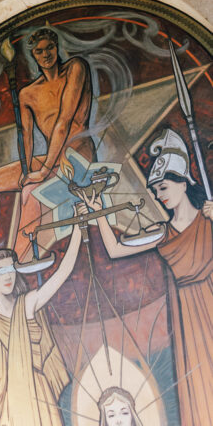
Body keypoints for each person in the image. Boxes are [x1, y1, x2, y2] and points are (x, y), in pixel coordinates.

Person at [0, 28, 94, 295]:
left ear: (56, 47)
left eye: (49, 48)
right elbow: (26, 136)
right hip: (51, 158)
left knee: (30, 192)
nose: (45, 55)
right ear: (32, 55)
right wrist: (27, 170)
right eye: (39, 51)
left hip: (77, 155)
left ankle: (18, 265)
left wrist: (41, 172)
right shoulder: (26, 94)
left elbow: (64, 123)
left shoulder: (75, 69)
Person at [86, 128, 213, 426]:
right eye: (155, 190)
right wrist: (99, 212)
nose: (158, 195)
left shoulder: (209, 219)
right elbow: (116, 250)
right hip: (190, 319)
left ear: (183, 183)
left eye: (163, 188)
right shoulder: (162, 233)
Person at [0, 222, 82, 426]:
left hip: (39, 400)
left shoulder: (28, 304)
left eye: (12, 268)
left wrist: (78, 228)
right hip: (3, 408)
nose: (8, 276)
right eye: (0, 272)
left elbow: (63, 273)